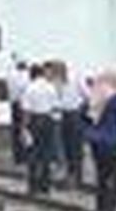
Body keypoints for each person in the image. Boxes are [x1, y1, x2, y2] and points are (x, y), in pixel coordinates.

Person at [86, 70, 116, 211]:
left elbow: (86, 117)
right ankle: (111, 209)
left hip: (97, 142)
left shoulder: (95, 98)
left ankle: (100, 206)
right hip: (113, 143)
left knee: (101, 176)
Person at [21, 63, 59, 195]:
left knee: (33, 153)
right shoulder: (51, 87)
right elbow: (55, 107)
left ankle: (32, 186)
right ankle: (45, 185)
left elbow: (26, 110)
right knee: (46, 153)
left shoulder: (29, 88)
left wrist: (24, 127)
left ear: (32, 74)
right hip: (48, 120)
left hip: (35, 121)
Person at [55, 61, 85, 187]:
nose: (58, 75)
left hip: (75, 114)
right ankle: (70, 175)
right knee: (66, 147)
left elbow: (86, 94)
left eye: (58, 71)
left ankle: (77, 176)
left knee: (76, 147)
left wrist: (81, 107)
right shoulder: (57, 83)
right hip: (64, 115)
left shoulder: (76, 78)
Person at [7, 59, 30, 165]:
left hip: (14, 105)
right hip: (24, 105)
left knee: (15, 131)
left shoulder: (11, 76)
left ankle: (17, 156)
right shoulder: (27, 76)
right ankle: (26, 155)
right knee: (25, 130)